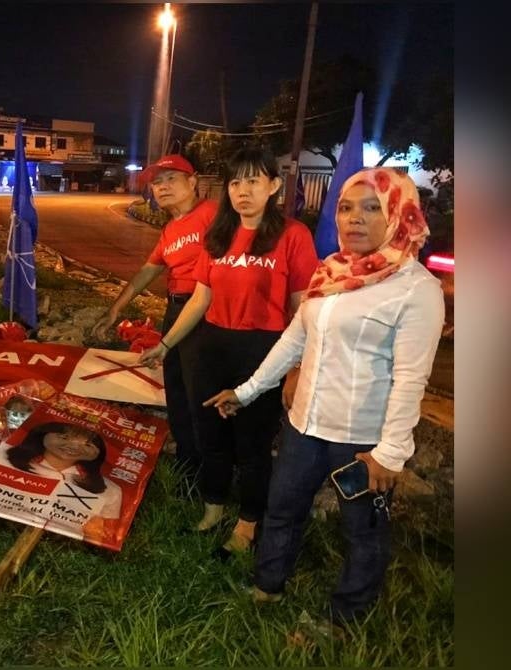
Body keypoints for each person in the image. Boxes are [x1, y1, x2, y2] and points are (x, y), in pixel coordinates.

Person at [203, 168, 444, 629]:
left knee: (363, 532)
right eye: (347, 208)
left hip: (360, 442)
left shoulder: (417, 290)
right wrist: (248, 391)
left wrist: (390, 453)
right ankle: (266, 588)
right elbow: (294, 341)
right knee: (282, 510)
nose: (355, 218)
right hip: (303, 428)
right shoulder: (332, 271)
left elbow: (412, 379)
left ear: (400, 215)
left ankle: (343, 621)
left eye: (373, 207)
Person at [138, 146, 319, 558]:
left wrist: (296, 368)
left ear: (273, 186)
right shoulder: (218, 236)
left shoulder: (293, 236)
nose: (243, 191)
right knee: (211, 434)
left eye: (254, 181)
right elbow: (200, 299)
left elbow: (304, 309)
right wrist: (165, 345)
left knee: (252, 444)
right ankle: (213, 508)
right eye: (236, 182)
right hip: (211, 345)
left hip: (264, 349)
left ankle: (247, 524)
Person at [93, 153, 218, 478]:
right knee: (175, 387)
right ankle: (187, 461)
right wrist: (116, 308)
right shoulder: (171, 229)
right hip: (176, 309)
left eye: (170, 179)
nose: (162, 187)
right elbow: (148, 270)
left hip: (206, 311)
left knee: (198, 391)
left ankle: (208, 470)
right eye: (157, 182)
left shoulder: (213, 215)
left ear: (193, 182)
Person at [3, 422, 122, 543]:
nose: (74, 447)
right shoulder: (4, 460)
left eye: (88, 444)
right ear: (43, 433)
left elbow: (105, 536)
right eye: (64, 437)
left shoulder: (110, 489)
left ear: (99, 451)